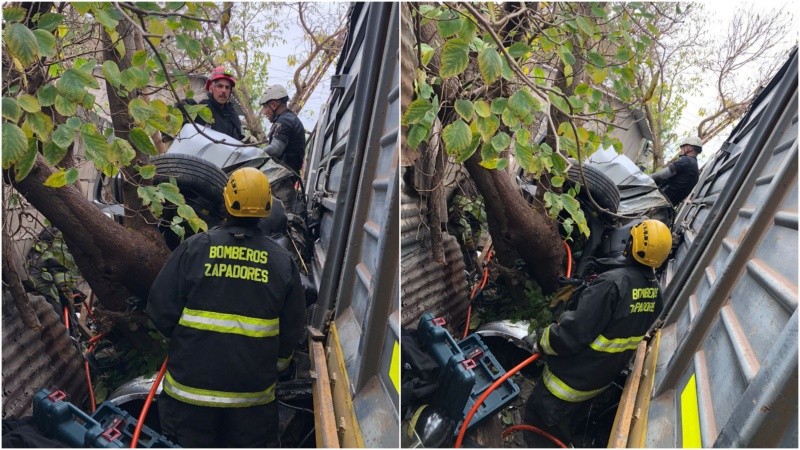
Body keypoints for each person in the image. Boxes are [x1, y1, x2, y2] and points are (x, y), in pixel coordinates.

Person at [146, 167, 305, 447]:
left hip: (189, 401)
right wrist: (277, 365)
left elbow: (160, 310)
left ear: (227, 201)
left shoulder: (194, 249)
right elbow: (292, 331)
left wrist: (187, 346)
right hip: (251, 406)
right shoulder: (282, 263)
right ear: (267, 207)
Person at [523, 219, 672, 447]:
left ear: (631, 244)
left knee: (538, 428)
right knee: (566, 425)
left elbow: (572, 333)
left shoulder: (612, 285)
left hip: (566, 384)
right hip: (598, 381)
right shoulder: (656, 294)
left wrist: (540, 340)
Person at [259, 85, 306, 211]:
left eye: (265, 107)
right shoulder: (290, 119)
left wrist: (254, 153)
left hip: (282, 184)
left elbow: (275, 149)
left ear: (273, 105)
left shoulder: (284, 122)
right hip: (287, 181)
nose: (264, 112)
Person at [181, 66, 244, 141]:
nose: (224, 90)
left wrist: (247, 142)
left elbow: (239, 140)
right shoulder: (199, 103)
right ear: (211, 87)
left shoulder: (232, 114)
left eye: (227, 87)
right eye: (220, 86)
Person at [650, 136, 702, 206]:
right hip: (669, 205)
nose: (681, 149)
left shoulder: (686, 160)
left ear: (689, 147)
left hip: (660, 200)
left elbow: (663, 174)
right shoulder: (694, 167)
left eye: (683, 147)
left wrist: (646, 178)